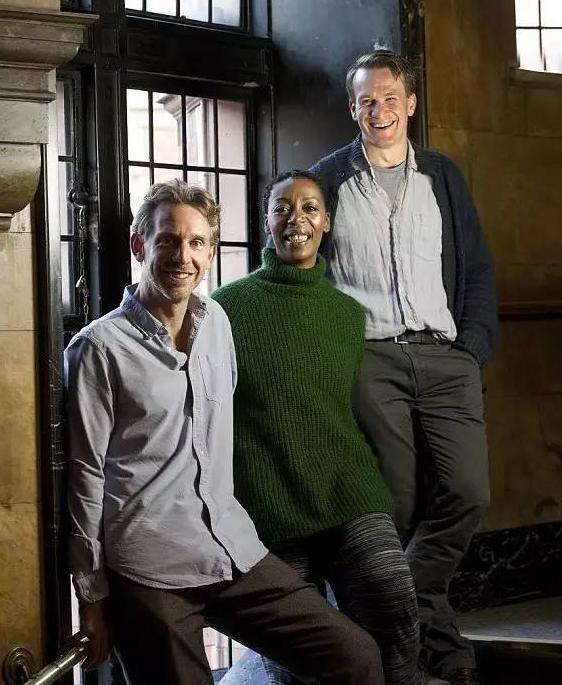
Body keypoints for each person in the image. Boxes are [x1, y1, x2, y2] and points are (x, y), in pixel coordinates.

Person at [64, 179, 387, 685]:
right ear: (138, 245)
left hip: (230, 548)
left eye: (196, 242)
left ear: (211, 253)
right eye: (167, 240)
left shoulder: (217, 320)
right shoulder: (98, 349)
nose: (182, 256)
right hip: (150, 571)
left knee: (356, 656)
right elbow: (84, 481)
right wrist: (91, 598)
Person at [308, 50, 498, 685]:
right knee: (399, 501)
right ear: (352, 108)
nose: (379, 110)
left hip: (447, 357)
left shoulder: (443, 175)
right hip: (372, 358)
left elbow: (476, 266)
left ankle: (389, 619)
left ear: (410, 104)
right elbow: (306, 267)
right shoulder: (328, 179)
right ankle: (440, 650)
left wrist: (473, 348)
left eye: (390, 98)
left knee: (467, 491)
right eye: (367, 100)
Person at [213, 170, 421, 685]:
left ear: (326, 221)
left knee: (393, 604)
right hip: (269, 506)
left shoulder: (347, 315)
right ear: (266, 220)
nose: (296, 219)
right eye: (282, 208)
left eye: (309, 207)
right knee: (294, 655)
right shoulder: (223, 309)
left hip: (348, 494)